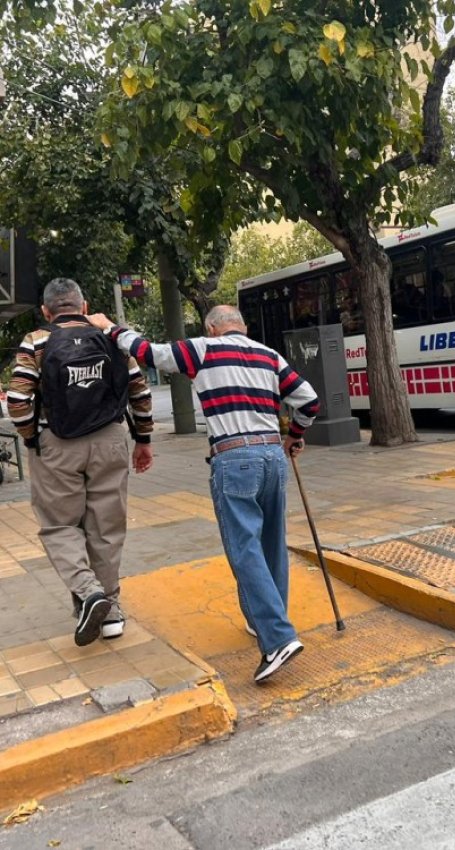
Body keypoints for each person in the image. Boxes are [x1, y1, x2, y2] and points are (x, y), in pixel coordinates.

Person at [87, 304, 320, 684]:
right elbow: (309, 401)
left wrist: (111, 328)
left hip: (234, 459)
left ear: (212, 328)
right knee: (271, 544)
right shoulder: (270, 355)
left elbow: (149, 353)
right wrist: (295, 434)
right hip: (271, 457)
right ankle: (261, 620)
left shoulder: (204, 349)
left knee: (244, 548)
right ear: (242, 327)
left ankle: (278, 639)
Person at [7, 278, 153, 646]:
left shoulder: (36, 340)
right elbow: (139, 389)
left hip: (57, 442)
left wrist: (31, 439)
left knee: (59, 526)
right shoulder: (109, 336)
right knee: (106, 526)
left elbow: (17, 400)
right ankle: (112, 612)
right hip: (110, 440)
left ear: (46, 311)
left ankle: (90, 594)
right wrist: (144, 439)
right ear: (84, 306)